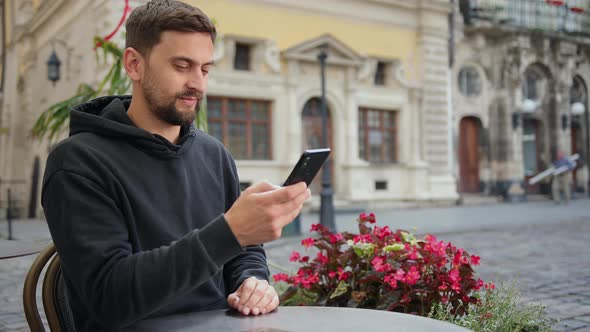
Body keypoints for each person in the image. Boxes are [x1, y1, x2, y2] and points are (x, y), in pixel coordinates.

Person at [41, 1, 310, 330]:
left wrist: (252, 280)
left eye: (205, 69)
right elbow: (109, 296)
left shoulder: (214, 154)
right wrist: (230, 232)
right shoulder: (78, 163)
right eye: (182, 66)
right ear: (135, 64)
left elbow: (244, 249)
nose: (198, 84)